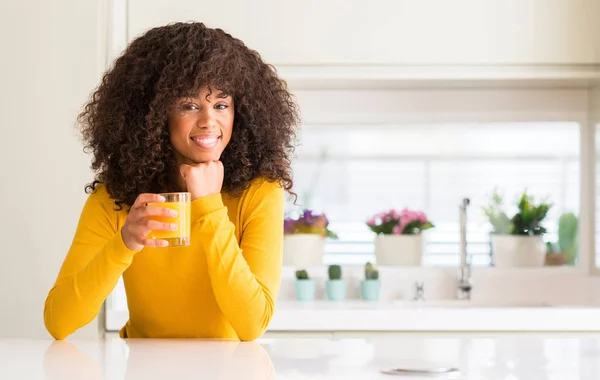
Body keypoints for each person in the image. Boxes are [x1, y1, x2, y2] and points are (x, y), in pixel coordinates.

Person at [43, 22, 299, 341]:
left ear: (240, 114)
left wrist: (209, 207)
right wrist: (124, 243)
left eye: (221, 105)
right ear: (153, 114)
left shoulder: (259, 193)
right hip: (141, 368)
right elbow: (59, 321)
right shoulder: (117, 198)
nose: (208, 121)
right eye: (189, 105)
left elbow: (251, 325)